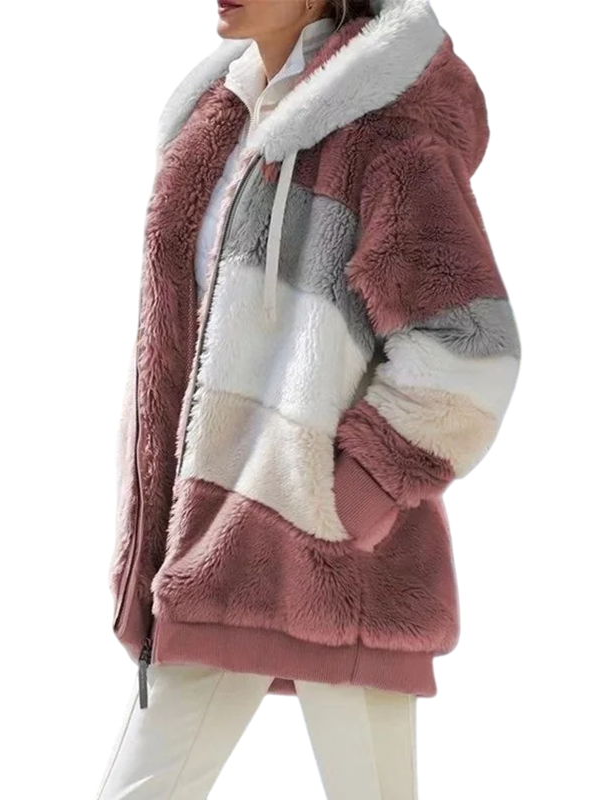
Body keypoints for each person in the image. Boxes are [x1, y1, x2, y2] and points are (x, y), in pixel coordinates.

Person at [98, 0, 521, 797]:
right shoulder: (217, 121)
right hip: (211, 553)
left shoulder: (386, 134)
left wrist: (341, 504)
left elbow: (470, 347)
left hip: (336, 566)